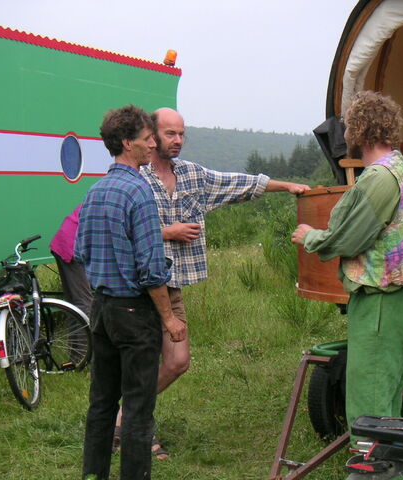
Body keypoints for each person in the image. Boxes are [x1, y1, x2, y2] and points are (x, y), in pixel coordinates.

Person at [112, 106, 310, 457]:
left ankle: (125, 413)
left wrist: (289, 186)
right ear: (151, 135)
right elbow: (120, 232)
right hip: (137, 289)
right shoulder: (133, 178)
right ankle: (136, 431)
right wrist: (168, 231)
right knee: (142, 363)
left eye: (182, 133)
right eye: (170, 134)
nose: (178, 140)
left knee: (177, 362)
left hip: (171, 287)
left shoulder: (192, 175)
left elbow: (241, 183)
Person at [291, 91, 403, 448]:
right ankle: (391, 466)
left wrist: (310, 237)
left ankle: (370, 466)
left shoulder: (380, 178)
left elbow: (348, 239)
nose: (344, 134)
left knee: (369, 406)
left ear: (359, 129)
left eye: (348, 126)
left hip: (381, 303)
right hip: (401, 300)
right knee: (387, 399)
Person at [76, 105, 187, 480]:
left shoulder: (95, 191)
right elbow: (151, 269)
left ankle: (93, 475)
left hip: (101, 309)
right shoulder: (139, 191)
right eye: (147, 138)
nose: (153, 144)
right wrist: (169, 318)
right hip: (134, 313)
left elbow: (82, 251)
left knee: (101, 404)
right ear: (127, 143)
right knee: (138, 409)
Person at [50, 204, 93, 319]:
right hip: (72, 245)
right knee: (83, 302)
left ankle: (76, 330)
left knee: (73, 303)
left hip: (65, 242)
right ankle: (84, 331)